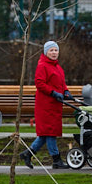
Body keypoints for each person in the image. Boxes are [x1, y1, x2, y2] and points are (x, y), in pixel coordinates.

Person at [19, 40, 72, 169]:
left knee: (45, 133)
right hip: (46, 104)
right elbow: (39, 83)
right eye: (51, 50)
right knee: (50, 133)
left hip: (54, 104)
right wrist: (53, 93)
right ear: (46, 52)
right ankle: (56, 160)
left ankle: (28, 153)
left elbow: (61, 82)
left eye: (56, 50)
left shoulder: (57, 67)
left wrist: (65, 91)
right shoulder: (42, 65)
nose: (54, 53)